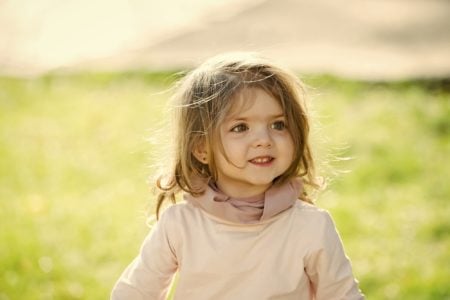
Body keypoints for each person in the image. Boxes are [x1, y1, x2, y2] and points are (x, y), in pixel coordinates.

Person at [111, 52, 364, 300]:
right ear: (201, 149)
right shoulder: (180, 225)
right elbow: (134, 293)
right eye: (240, 127)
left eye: (278, 124)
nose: (263, 140)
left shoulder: (311, 227)